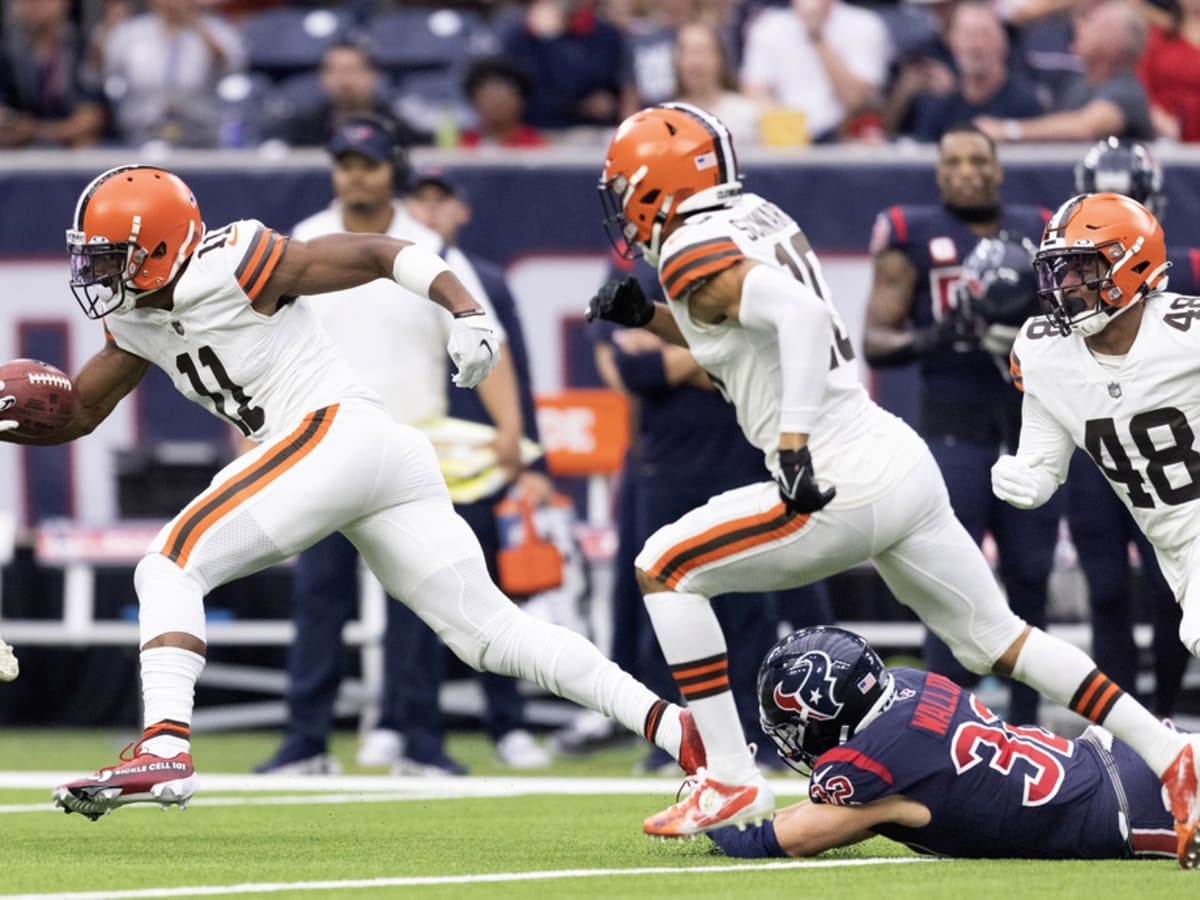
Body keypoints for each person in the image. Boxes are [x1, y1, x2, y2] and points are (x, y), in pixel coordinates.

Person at [588, 102, 1198, 859]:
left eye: (625, 188)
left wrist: (795, 440)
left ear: (656, 185)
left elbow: (802, 323)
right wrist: (650, 315)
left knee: (665, 568)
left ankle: (731, 773)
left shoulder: (688, 245)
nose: (622, 209)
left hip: (837, 472)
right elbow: (742, 336)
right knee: (998, 639)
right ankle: (1172, 752)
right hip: (898, 456)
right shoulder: (751, 217)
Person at [18, 163, 703, 820]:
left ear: (160, 249)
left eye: (112, 256)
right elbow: (78, 412)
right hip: (371, 454)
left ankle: (165, 746)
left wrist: (467, 313)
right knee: (490, 635)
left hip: (332, 432)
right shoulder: (137, 318)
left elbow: (380, 252)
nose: (98, 272)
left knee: (169, 563)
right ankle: (681, 732)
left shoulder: (234, 262)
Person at [251, 116, 547, 778]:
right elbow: (257, 343)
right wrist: (250, 431)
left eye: (369, 162)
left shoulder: (427, 246)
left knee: (420, 599)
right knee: (319, 598)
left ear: (394, 170)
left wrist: (508, 429)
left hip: (408, 449)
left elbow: (479, 331)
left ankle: (419, 740)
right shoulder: (302, 241)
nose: (355, 173)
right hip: (315, 442)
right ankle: (305, 743)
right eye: (345, 161)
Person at [992, 190, 1200, 865]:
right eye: (1060, 270)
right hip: (1175, 541)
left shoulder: (1186, 330)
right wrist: (1026, 476)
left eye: (1084, 268)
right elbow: (1045, 456)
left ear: (1134, 265)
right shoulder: (1046, 352)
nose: (1068, 285)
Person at [863, 123, 1057, 727]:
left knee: (1030, 576)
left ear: (997, 168)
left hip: (1029, 429)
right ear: (939, 171)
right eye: (955, 160)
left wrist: (1028, 325)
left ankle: (1027, 724)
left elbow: (1079, 323)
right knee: (949, 581)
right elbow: (876, 340)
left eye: (980, 159)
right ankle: (940, 728)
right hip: (951, 429)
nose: (968, 170)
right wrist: (942, 332)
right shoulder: (912, 233)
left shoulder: (1039, 229)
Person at [707, 624, 1181, 861]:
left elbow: (779, 839)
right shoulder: (910, 686)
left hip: (1131, 809)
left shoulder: (872, 771)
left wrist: (711, 819)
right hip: (1113, 754)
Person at [1065, 137, 1194, 717]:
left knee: (1176, 591)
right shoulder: (1065, 280)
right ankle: (1128, 728)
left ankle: (1164, 711)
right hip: (1099, 452)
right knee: (1108, 590)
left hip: (1169, 451)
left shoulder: (1187, 270)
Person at [975, 0, 1153, 144]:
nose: (1079, 28)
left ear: (1116, 43)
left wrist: (1008, 130)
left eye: (1091, 22)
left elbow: (1085, 127)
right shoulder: (1079, 85)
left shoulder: (1127, 90)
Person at [97, 0, 247, 148]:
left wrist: (197, 26)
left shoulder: (215, 28)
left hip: (200, 128)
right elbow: (99, 71)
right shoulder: (132, 31)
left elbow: (232, 67)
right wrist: (105, 29)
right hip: (140, 127)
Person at [739, 0, 892, 143]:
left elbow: (857, 100)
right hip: (785, 140)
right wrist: (785, 129)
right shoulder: (768, 26)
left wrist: (816, 35)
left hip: (845, 138)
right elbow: (755, 93)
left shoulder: (865, 24)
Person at [907, 1, 1043, 142]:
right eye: (967, 35)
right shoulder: (938, 107)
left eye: (984, 34)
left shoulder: (1026, 101)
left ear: (1003, 43)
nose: (976, 46)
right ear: (954, 44)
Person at [267, 40, 421, 150]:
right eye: (335, 71)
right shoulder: (303, 129)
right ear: (322, 78)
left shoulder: (397, 128)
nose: (344, 81)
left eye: (353, 70)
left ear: (373, 76)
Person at [0, 0, 107, 149]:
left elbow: (91, 119)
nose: (33, 5)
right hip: (18, 153)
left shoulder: (84, 48)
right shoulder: (7, 49)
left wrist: (38, 131)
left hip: (74, 154)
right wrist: (11, 123)